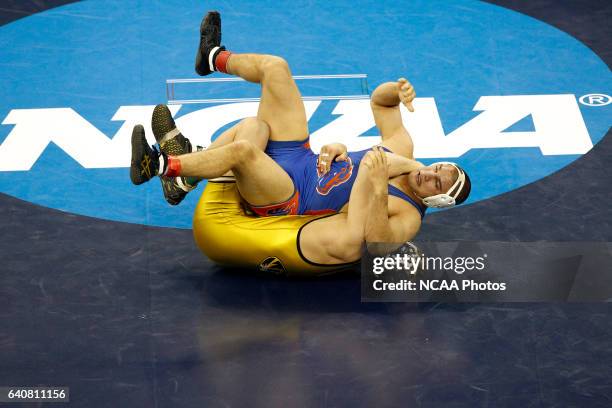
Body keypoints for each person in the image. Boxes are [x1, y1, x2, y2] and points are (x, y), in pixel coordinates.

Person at [129, 10, 472, 274]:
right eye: (438, 168)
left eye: (437, 183)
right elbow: (381, 103)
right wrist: (396, 91)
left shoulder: (408, 215)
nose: (430, 175)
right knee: (276, 70)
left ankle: (163, 165)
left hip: (287, 195)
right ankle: (214, 58)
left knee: (244, 150)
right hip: (299, 157)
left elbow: (378, 246)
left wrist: (380, 188)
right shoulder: (404, 152)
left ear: (438, 199)